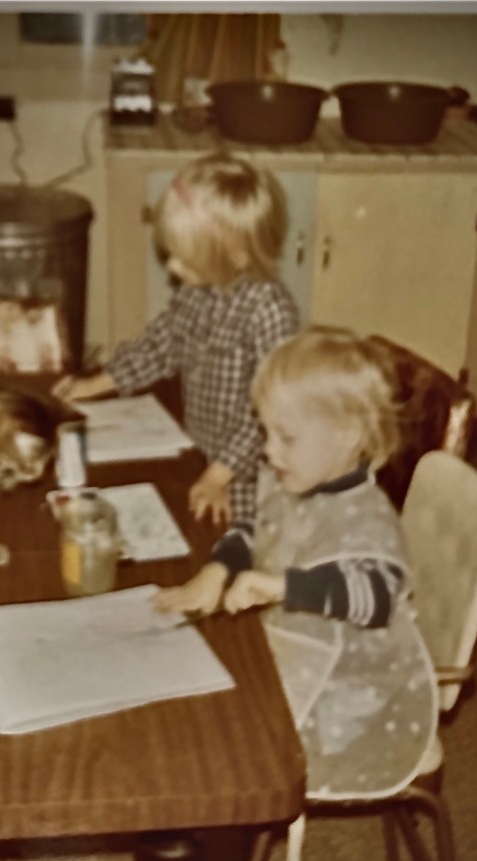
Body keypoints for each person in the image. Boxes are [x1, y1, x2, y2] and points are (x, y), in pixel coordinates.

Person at [155, 326, 438, 798]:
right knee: (187, 703)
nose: (269, 450)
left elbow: (377, 599)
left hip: (344, 695)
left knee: (212, 748)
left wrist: (281, 586)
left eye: (286, 437)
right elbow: (257, 528)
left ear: (348, 434)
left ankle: (221, 831)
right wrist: (217, 571)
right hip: (295, 653)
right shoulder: (298, 480)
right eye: (266, 433)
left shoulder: (368, 516)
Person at [52, 152, 299, 525]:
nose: (171, 266)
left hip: (248, 477)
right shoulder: (199, 289)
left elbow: (268, 415)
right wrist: (95, 383)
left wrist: (219, 476)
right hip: (200, 450)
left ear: (235, 255)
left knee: (232, 544)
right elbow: (162, 345)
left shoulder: (270, 311)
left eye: (185, 257)